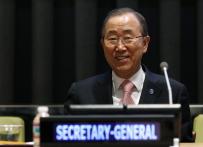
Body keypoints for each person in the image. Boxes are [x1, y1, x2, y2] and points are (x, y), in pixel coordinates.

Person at [65, 7, 192, 142]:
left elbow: (184, 143)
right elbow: (64, 139)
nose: (120, 47)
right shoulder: (82, 93)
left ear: (145, 43)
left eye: (127, 38)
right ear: (103, 45)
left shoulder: (172, 92)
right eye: (112, 38)